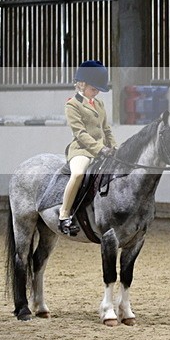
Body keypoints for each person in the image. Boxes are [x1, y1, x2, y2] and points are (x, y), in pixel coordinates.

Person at [58, 60, 118, 236]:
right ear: (82, 85)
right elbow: (80, 133)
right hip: (82, 149)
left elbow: (106, 129)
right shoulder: (72, 105)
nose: (96, 92)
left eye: (98, 89)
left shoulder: (99, 104)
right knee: (78, 174)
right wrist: (100, 149)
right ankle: (64, 215)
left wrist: (115, 147)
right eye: (94, 89)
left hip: (103, 149)